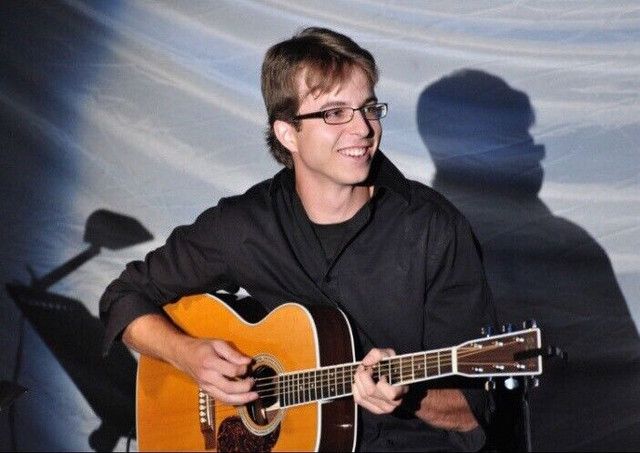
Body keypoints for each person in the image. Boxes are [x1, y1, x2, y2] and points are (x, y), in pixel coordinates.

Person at [99, 27, 496, 451]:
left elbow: (477, 406)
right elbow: (123, 297)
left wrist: (409, 396)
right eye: (334, 113)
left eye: (368, 108)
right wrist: (187, 355)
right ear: (288, 133)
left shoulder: (434, 229)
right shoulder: (246, 224)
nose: (362, 129)